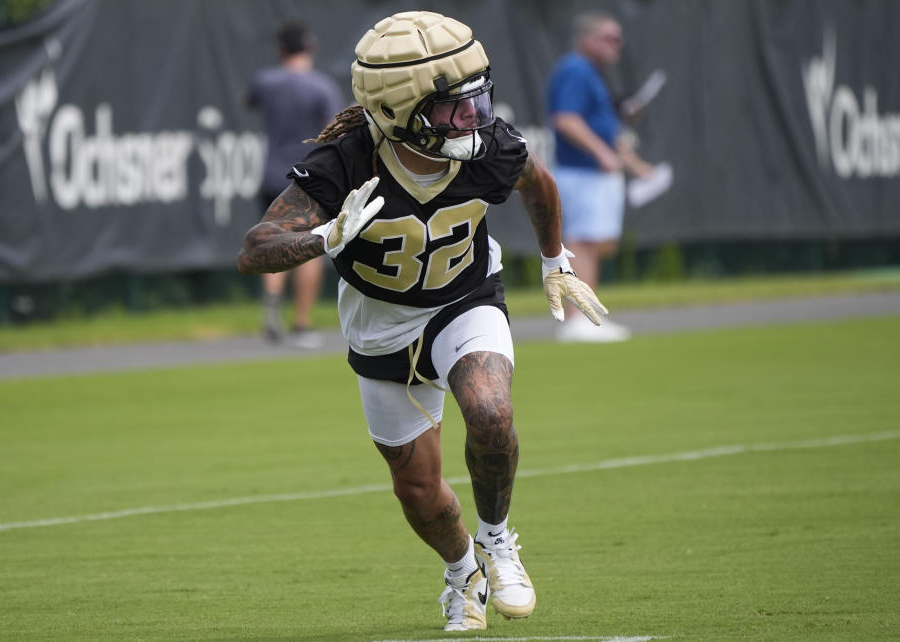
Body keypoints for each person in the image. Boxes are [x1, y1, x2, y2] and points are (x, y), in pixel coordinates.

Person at [237, 11, 609, 632]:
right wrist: (323, 236)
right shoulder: (345, 162)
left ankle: (495, 540)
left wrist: (554, 258)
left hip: (465, 298)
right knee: (417, 489)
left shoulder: (487, 147)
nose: (474, 118)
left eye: (476, 100)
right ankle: (462, 571)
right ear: (399, 110)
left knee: (490, 411)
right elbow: (257, 248)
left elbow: (537, 184)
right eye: (453, 108)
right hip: (380, 323)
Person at [547, 11, 659, 342]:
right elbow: (566, 119)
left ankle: (585, 317)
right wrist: (600, 153)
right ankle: (577, 320)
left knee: (595, 244)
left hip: (592, 176)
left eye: (618, 38)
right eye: (608, 37)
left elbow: (609, 133)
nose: (616, 45)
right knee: (583, 243)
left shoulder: (593, 74)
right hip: (581, 174)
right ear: (586, 39)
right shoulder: (575, 69)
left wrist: (637, 167)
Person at [245, 19, 344, 348]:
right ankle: (301, 324)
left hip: (272, 174)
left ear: (280, 49)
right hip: (307, 178)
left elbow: (250, 101)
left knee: (272, 242)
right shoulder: (321, 87)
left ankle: (272, 303)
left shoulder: (266, 82)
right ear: (311, 47)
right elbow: (334, 129)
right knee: (309, 250)